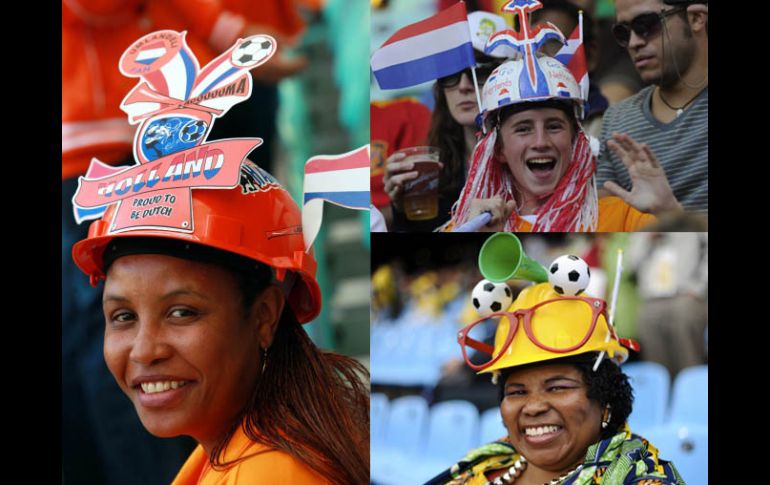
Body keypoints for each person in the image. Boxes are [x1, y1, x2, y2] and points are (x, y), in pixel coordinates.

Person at [71, 158, 370, 484]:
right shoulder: (239, 449)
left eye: (182, 312)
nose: (144, 351)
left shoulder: (270, 472)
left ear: (264, 316)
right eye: (124, 316)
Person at [427, 234, 686, 484]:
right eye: (517, 392)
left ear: (607, 396)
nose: (533, 407)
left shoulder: (640, 478)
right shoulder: (485, 463)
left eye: (557, 387)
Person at [447, 15, 661, 231]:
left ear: (575, 139)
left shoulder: (622, 217)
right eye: (523, 129)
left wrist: (666, 211)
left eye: (553, 126)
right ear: (499, 149)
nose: (541, 142)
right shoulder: (470, 225)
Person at [382, 10, 506, 232]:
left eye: (479, 72)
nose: (463, 86)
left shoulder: (531, 158)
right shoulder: (436, 167)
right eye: (450, 74)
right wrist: (403, 210)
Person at [596, 0, 708, 215]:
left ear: (696, 19)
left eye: (646, 25)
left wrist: (671, 214)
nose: (633, 42)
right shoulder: (617, 118)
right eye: (623, 32)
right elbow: (605, 223)